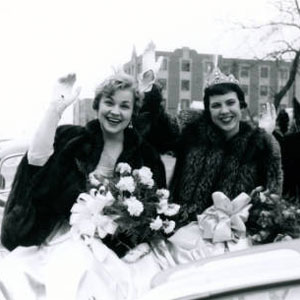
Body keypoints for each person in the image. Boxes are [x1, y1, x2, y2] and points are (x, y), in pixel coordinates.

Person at [0, 72, 167, 300]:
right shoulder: (73, 138)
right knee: (24, 275)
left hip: (113, 245)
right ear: (97, 106)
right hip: (63, 234)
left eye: (124, 106)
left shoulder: (145, 155)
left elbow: (152, 211)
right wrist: (54, 108)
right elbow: (36, 159)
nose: (115, 112)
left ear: (132, 112)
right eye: (109, 102)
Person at [140, 67, 283, 227]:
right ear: (208, 110)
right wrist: (149, 93)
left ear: (241, 104)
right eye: (216, 105)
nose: (224, 111)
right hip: (182, 232)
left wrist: (263, 137)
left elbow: (270, 197)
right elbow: (159, 131)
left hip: (231, 239)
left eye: (230, 103)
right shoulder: (193, 132)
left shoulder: (259, 143)